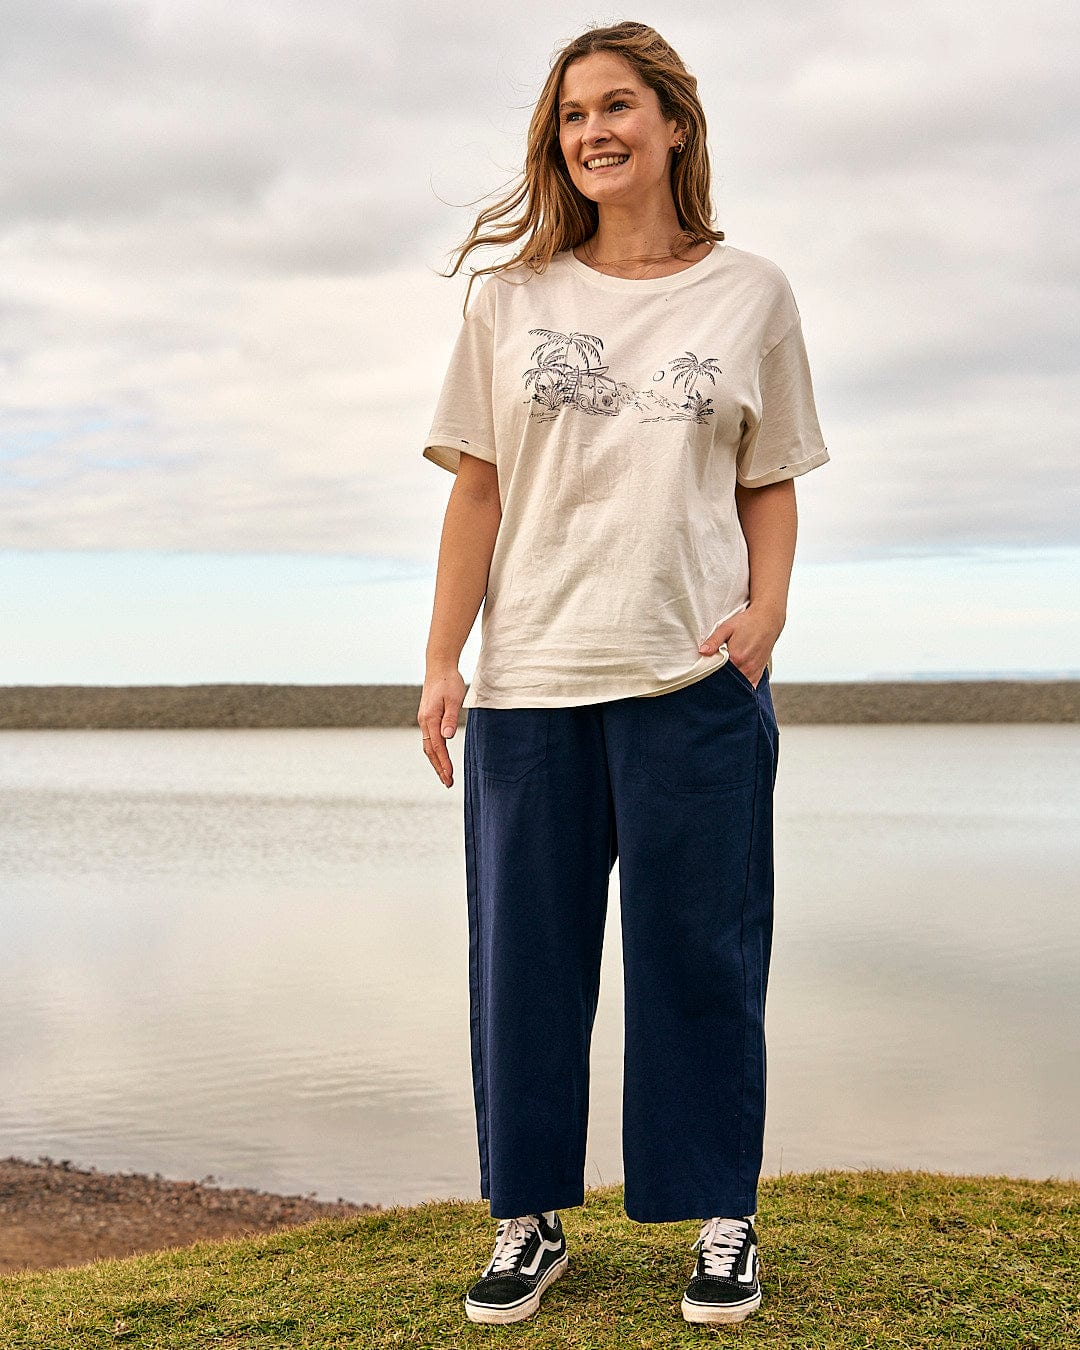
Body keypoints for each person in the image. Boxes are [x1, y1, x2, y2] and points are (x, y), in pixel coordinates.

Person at [417, 19, 828, 1328]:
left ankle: (722, 1220)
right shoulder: (512, 299)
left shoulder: (752, 293)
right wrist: (441, 656)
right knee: (523, 964)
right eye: (571, 115)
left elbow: (771, 484)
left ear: (673, 126)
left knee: (701, 956)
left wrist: (765, 614)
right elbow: (476, 491)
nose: (591, 132)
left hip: (692, 683)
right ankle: (527, 1221)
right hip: (532, 678)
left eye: (616, 108)